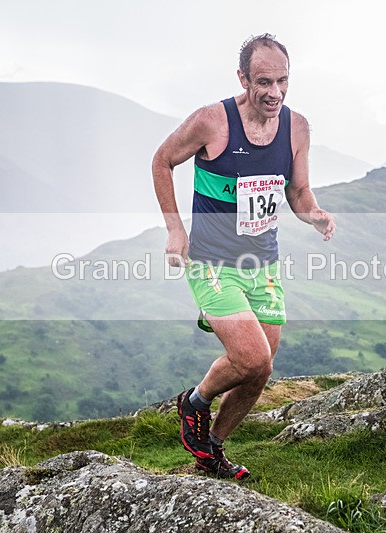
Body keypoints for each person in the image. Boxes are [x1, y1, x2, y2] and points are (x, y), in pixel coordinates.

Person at [152, 33, 336, 480]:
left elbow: (297, 189)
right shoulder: (211, 122)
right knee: (252, 357)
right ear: (243, 78)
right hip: (212, 262)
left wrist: (312, 212)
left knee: (260, 369)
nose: (274, 92)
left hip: (263, 264)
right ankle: (193, 403)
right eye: (264, 82)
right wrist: (175, 229)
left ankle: (211, 451)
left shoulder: (296, 127)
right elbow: (161, 161)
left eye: (283, 81)